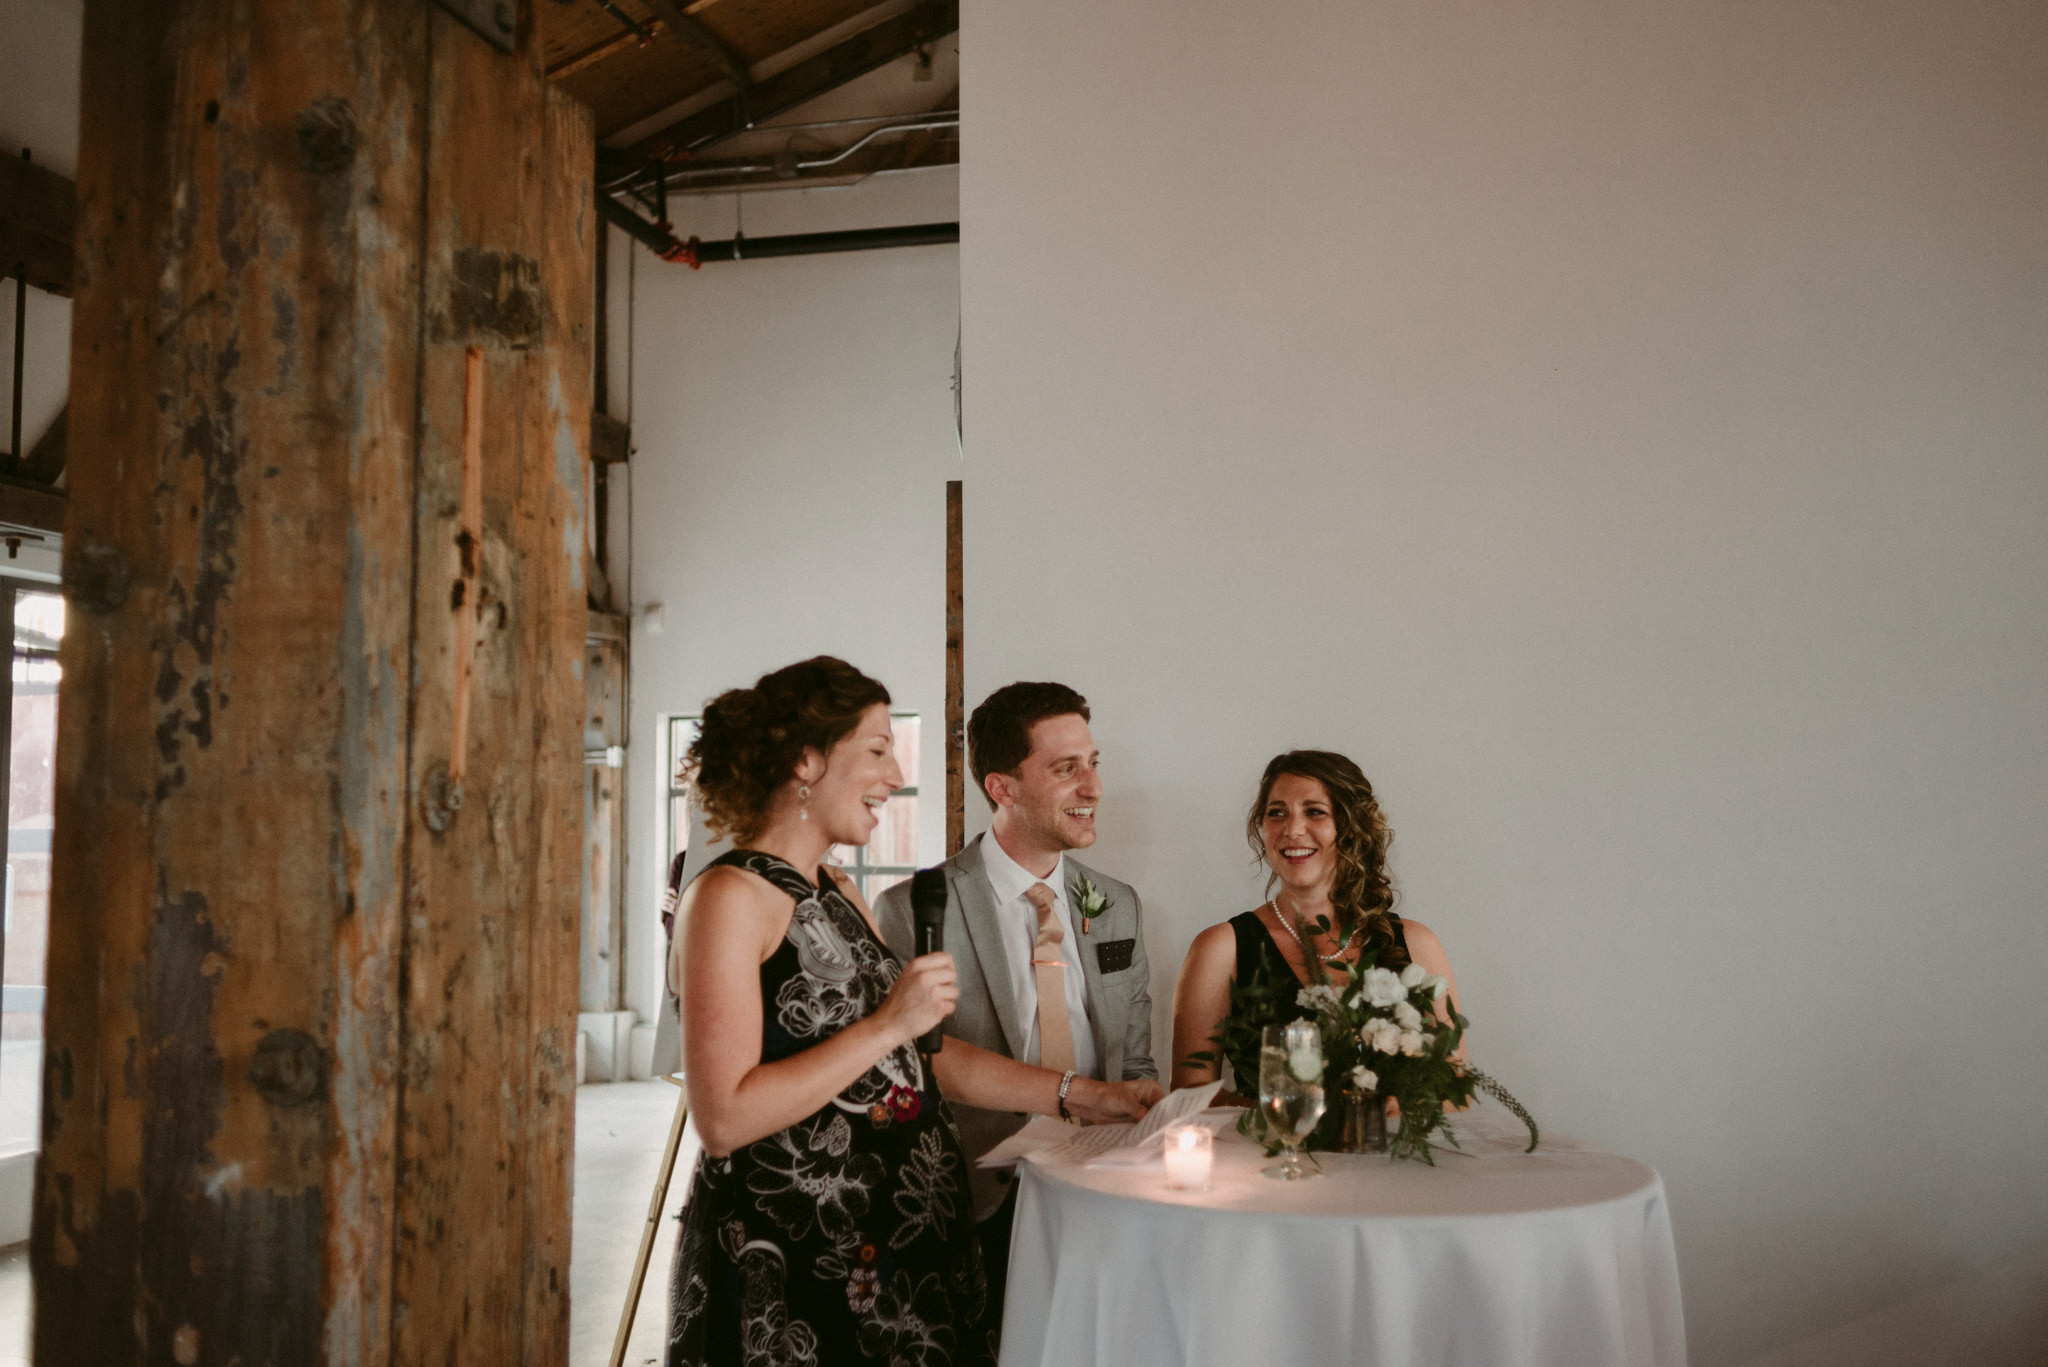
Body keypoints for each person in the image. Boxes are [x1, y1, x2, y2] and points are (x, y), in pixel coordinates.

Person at [667, 657, 1156, 1367]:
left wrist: (1085, 1094)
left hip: (899, 1246)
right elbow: (723, 1117)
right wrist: (886, 1023)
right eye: (875, 749)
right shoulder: (727, 896)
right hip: (804, 1259)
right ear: (806, 760)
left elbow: (927, 1053)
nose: (895, 775)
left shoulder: (834, 888)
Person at [875, 681, 1162, 1324]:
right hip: (975, 1206)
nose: (1092, 788)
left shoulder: (1117, 905)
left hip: (1107, 1194)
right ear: (1002, 788)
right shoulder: (913, 909)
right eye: (1066, 769)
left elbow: (1135, 1058)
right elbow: (907, 1071)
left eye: (1093, 764)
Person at [1170, 750, 1461, 1092]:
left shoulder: (1416, 944)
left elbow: (1457, 1088)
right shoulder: (1222, 948)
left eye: (1315, 812)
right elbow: (1190, 1097)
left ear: (1351, 828)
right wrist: (1281, 1115)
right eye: (1276, 813)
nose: (1292, 829)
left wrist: (1398, 1113)